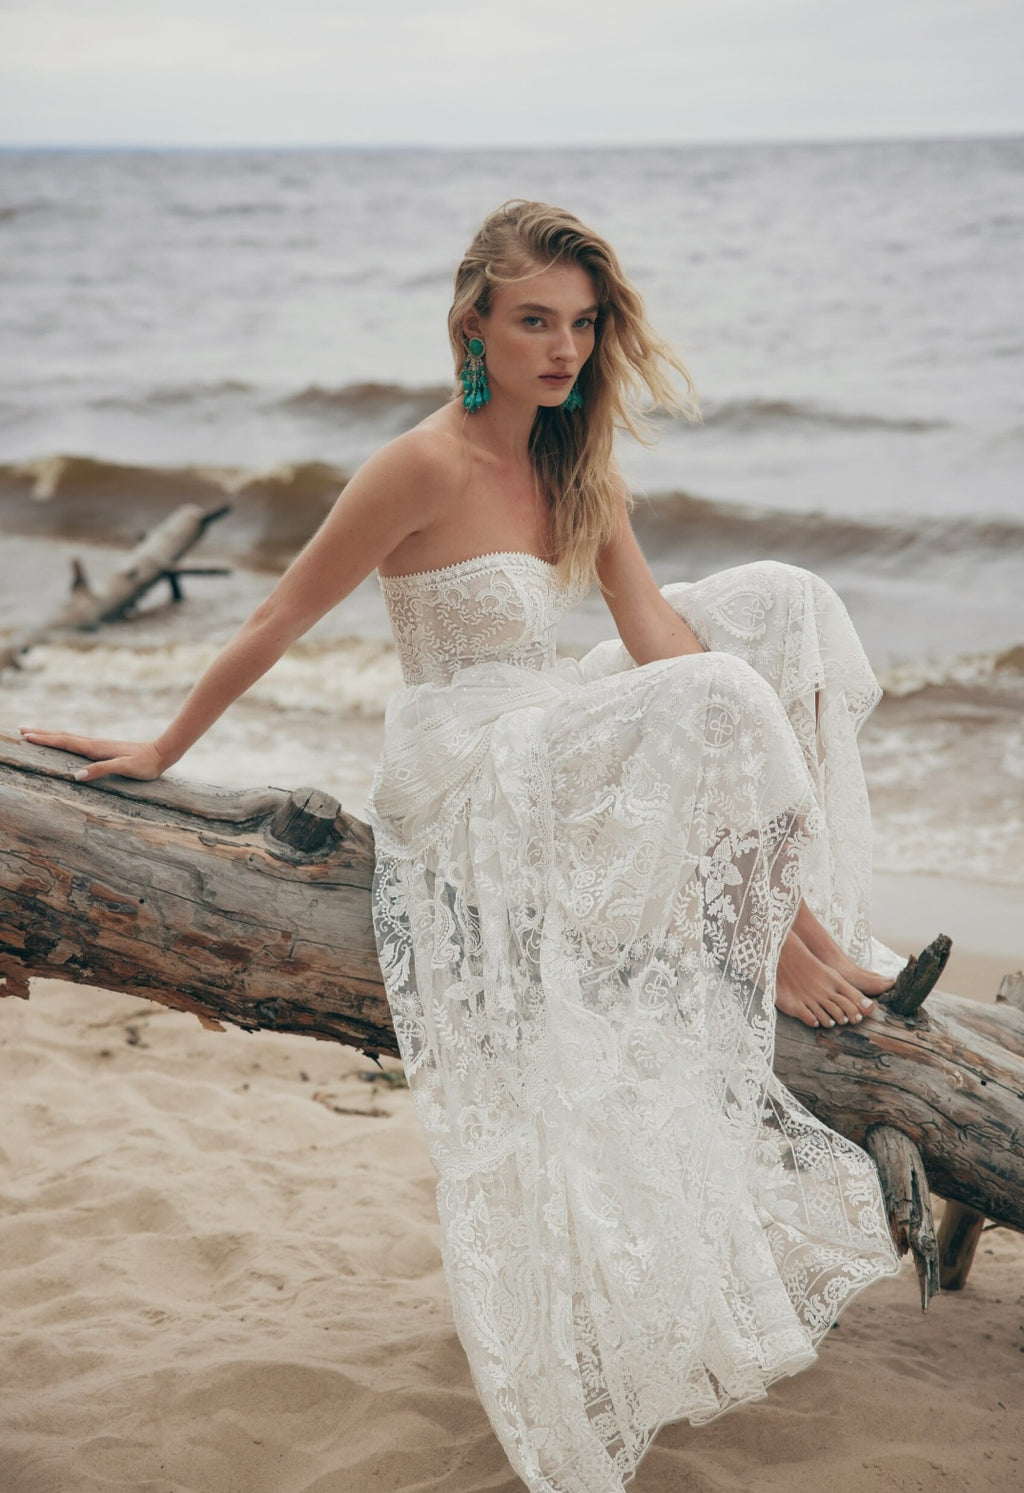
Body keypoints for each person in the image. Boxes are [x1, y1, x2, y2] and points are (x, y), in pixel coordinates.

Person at [21, 200, 908, 1493]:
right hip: (465, 765)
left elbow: (654, 627)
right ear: (475, 324)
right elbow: (282, 608)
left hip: (546, 725)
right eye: (535, 320)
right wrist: (164, 745)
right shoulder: (419, 465)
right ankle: (777, 943)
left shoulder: (574, 456)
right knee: (716, 703)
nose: (563, 347)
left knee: (778, 608)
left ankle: (792, 920)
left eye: (582, 323)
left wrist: (734, 767)